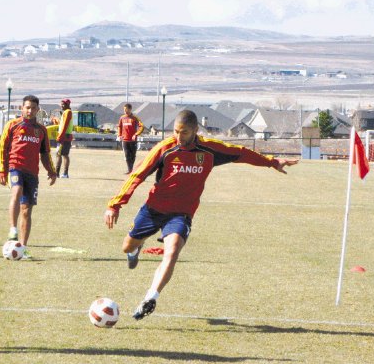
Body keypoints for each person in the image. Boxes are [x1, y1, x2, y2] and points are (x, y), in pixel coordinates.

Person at [104, 109, 298, 321]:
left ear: (196, 130)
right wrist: (116, 204)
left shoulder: (210, 150)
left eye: (184, 132)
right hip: (153, 210)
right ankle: (136, 248)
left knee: (172, 251)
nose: (179, 137)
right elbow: (137, 175)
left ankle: (150, 297)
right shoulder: (165, 148)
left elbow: (241, 152)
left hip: (181, 214)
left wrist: (272, 162)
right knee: (127, 246)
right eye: (176, 131)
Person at [0, 95, 57, 259]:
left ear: (38, 110)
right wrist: (2, 170)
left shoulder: (41, 130)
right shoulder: (12, 125)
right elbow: (2, 148)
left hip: (32, 173)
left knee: (27, 211)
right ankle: (12, 230)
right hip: (15, 168)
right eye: (27, 107)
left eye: (33, 108)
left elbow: (45, 154)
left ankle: (23, 248)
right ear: (22, 108)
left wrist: (52, 172)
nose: (30, 111)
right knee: (16, 191)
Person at [117, 103, 144, 174]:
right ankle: (130, 170)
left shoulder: (135, 118)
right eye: (124, 109)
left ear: (130, 109)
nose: (125, 111)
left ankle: (131, 168)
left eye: (126, 109)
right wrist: (119, 135)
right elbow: (119, 126)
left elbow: (141, 126)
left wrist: (136, 134)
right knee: (127, 155)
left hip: (133, 140)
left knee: (132, 155)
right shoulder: (122, 118)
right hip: (125, 140)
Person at [55, 98, 73, 178]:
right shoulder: (66, 112)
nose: (61, 105)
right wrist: (57, 122)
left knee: (62, 154)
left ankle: (61, 173)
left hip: (65, 137)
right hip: (65, 136)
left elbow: (65, 125)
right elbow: (63, 124)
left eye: (63, 104)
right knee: (61, 154)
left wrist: (60, 136)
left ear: (67, 105)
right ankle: (59, 173)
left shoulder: (68, 112)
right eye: (61, 104)